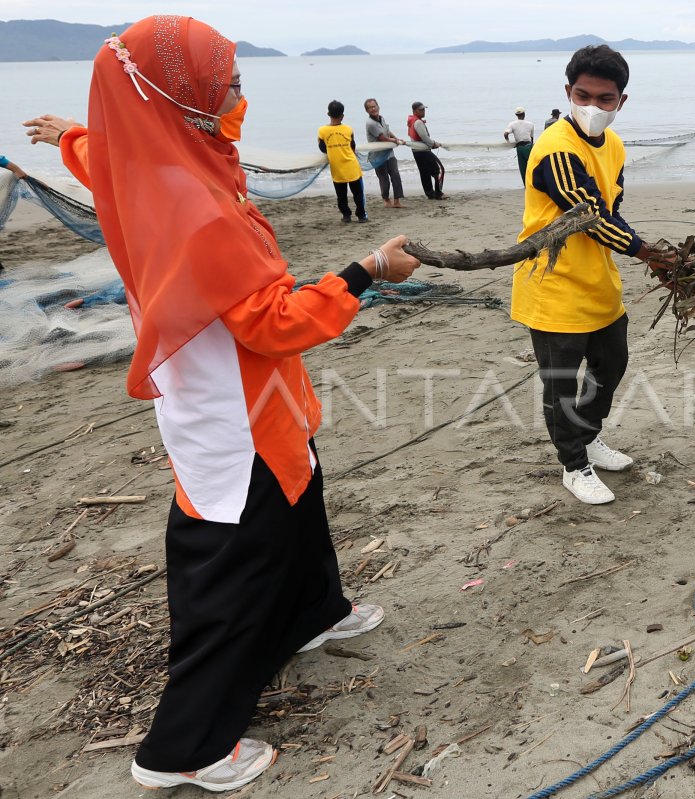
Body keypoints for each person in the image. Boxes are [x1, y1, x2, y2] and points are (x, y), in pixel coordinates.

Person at [22, 16, 420, 792]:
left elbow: (109, 155)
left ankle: (315, 611)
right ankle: (182, 748)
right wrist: (366, 270)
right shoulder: (196, 206)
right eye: (226, 83)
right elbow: (276, 321)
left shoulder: (148, 157)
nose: (238, 94)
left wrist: (73, 134)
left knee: (302, 497)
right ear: (180, 96)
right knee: (232, 557)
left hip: (246, 392)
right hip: (231, 407)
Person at [513, 44, 671, 505]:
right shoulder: (555, 149)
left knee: (611, 364)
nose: (592, 107)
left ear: (622, 101)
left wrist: (642, 248)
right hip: (553, 283)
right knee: (560, 383)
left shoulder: (615, 145)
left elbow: (614, 210)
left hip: (598, 281)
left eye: (605, 99)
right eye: (583, 96)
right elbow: (591, 217)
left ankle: (588, 435)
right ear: (568, 91)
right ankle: (573, 464)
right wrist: (649, 253)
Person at [319, 100, 367, 222]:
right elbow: (352, 146)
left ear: (328, 114)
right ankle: (361, 215)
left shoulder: (322, 131)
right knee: (358, 194)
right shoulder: (348, 129)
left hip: (337, 168)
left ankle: (346, 215)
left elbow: (322, 148)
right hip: (352, 166)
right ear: (342, 115)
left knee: (341, 195)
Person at [363, 98, 405, 208]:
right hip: (378, 156)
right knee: (384, 178)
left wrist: (397, 138)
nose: (373, 109)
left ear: (378, 106)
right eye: (370, 107)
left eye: (374, 106)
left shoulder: (381, 118)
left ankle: (397, 201)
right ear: (367, 111)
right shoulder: (370, 123)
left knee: (395, 175)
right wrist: (395, 141)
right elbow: (382, 138)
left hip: (389, 154)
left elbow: (388, 132)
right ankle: (386, 200)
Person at [407, 101, 445, 200]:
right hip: (422, 151)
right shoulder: (418, 122)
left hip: (416, 151)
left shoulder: (412, 120)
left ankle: (430, 194)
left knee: (424, 172)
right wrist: (434, 144)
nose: (423, 112)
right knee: (438, 170)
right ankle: (438, 192)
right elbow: (425, 138)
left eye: (424, 109)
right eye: (421, 110)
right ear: (415, 111)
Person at [503, 106, 536, 183]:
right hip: (528, 147)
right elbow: (531, 138)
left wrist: (508, 143)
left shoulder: (512, 124)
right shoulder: (530, 124)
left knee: (522, 168)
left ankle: (526, 185)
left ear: (516, 115)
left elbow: (505, 134)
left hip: (520, 148)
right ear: (524, 114)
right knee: (531, 166)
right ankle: (533, 183)